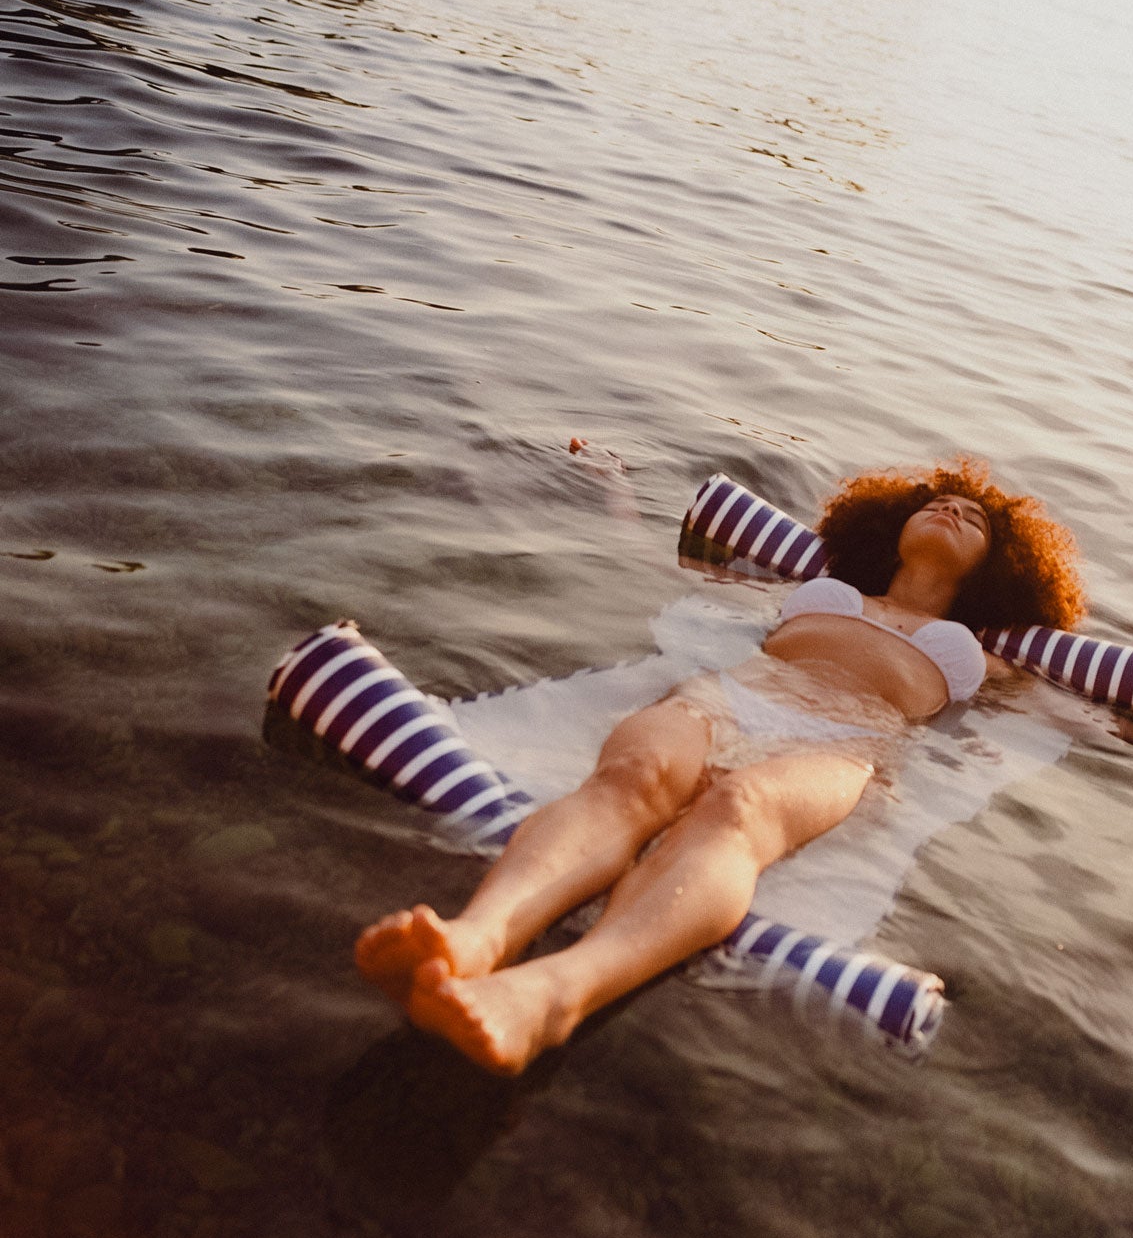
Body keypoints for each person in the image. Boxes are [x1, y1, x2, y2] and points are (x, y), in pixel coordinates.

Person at [354, 457, 1086, 1076]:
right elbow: (699, 569)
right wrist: (613, 484)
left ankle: (552, 997)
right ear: (894, 525)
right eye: (939, 502)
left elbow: (1081, 709)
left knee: (739, 814)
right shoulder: (822, 593)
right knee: (631, 779)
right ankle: (478, 935)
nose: (954, 510)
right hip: (733, 696)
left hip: (847, 745)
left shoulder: (980, 653)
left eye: (976, 520)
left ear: (995, 566)